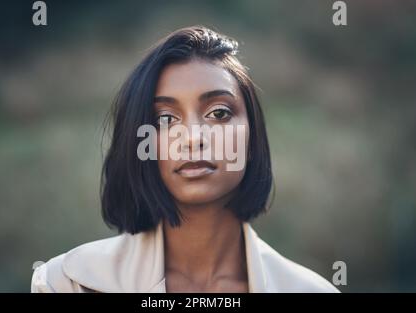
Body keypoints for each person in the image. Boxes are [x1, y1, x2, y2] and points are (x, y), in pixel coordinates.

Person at [31, 25, 339, 293]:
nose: (192, 137)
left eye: (219, 113)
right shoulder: (69, 283)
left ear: (252, 137)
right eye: (165, 119)